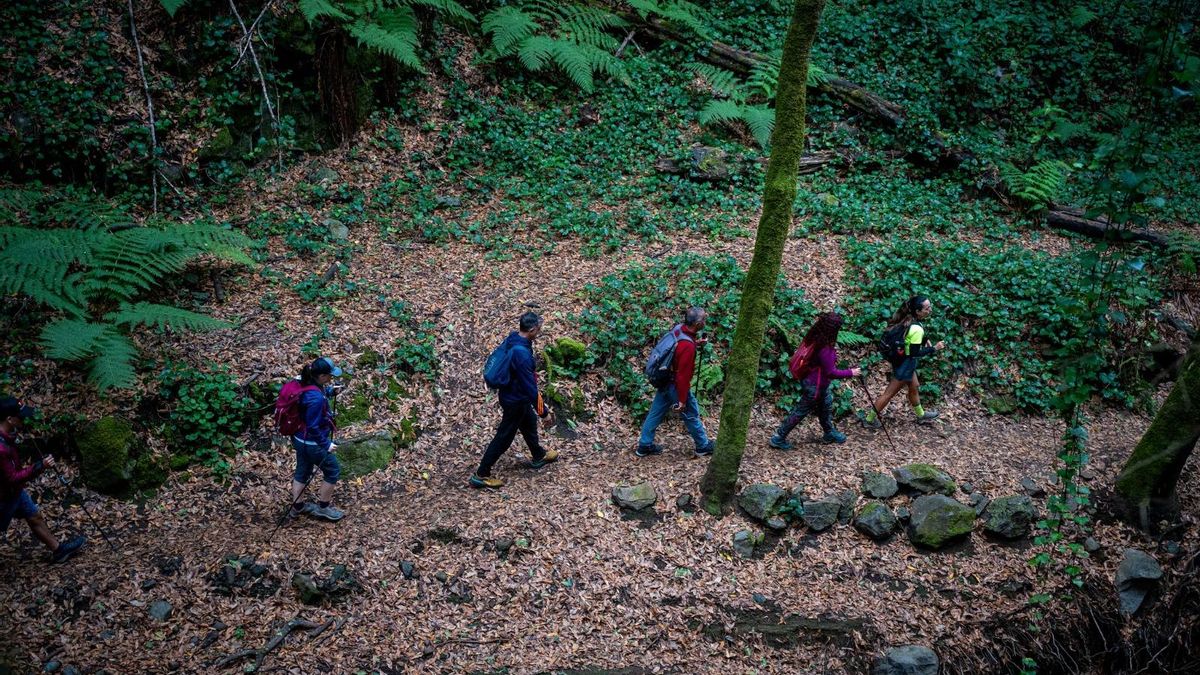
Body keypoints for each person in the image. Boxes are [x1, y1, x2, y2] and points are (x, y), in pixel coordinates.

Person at [470, 312, 559, 488]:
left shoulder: (514, 338)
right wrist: (544, 413)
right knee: (504, 436)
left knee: (528, 421)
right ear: (532, 330)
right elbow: (531, 389)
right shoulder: (522, 355)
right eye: (539, 329)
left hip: (512, 394)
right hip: (515, 400)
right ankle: (481, 474)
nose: (540, 331)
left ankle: (538, 454)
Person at [0, 397, 86, 563]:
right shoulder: (1, 448)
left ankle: (58, 550)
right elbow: (11, 478)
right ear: (9, 419)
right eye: (21, 417)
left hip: (15, 492)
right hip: (4, 498)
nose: (24, 420)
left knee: (34, 516)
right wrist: (40, 466)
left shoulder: (8, 436)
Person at [769, 312, 861, 448]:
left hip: (813, 382)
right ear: (833, 330)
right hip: (815, 386)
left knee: (826, 405)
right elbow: (831, 372)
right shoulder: (824, 347)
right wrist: (851, 372)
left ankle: (829, 432)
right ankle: (778, 437)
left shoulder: (814, 337)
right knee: (801, 411)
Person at [636, 306, 715, 458]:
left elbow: (677, 349)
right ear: (697, 324)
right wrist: (682, 400)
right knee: (691, 413)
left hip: (664, 379)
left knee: (655, 413)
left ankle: (644, 445)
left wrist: (697, 343)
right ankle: (703, 445)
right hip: (675, 384)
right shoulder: (688, 346)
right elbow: (682, 376)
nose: (706, 321)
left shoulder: (679, 329)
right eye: (704, 319)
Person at [861, 296, 946, 428]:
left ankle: (921, 415)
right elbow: (915, 353)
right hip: (905, 365)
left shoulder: (907, 319)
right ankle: (869, 419)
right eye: (927, 308)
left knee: (914, 385)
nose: (930, 310)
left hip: (900, 360)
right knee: (889, 394)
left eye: (930, 306)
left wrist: (924, 340)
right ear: (917, 311)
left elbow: (908, 337)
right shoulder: (916, 328)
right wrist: (934, 348)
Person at [289, 357, 345, 521]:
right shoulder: (316, 399)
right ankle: (324, 508)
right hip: (313, 443)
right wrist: (326, 444)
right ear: (321, 376)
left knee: (302, 471)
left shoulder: (305, 382)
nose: (331, 378)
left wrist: (329, 392)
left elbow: (308, 400)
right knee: (332, 471)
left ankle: (298, 507)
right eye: (329, 375)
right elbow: (313, 426)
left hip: (299, 439)